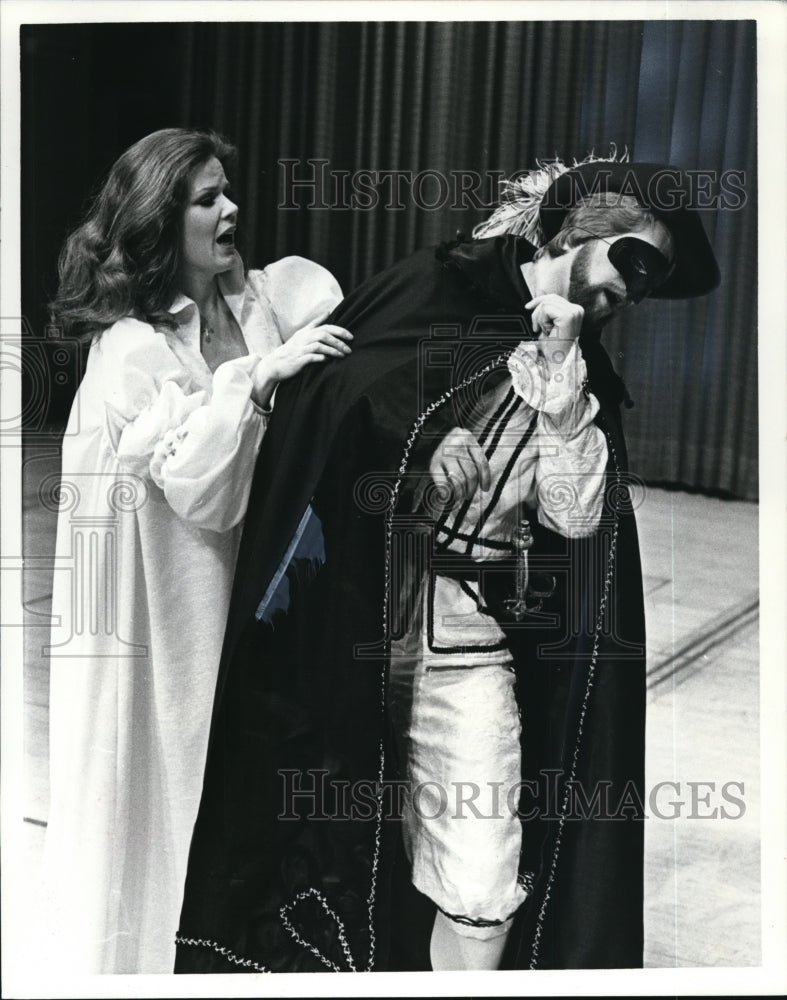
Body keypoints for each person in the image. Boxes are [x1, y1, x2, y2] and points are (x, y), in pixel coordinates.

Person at [174, 156, 720, 973]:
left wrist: (564, 388)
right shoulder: (438, 286)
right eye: (629, 263)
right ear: (574, 231)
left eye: (650, 283)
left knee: (481, 880)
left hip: (464, 636)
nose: (629, 295)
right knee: (317, 841)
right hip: (348, 615)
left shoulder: (581, 375)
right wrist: (418, 439)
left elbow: (575, 517)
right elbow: (333, 396)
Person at [40, 127, 352, 974]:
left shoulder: (257, 304)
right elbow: (201, 489)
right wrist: (256, 381)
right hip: (164, 611)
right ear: (156, 221)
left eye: (228, 191)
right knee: (166, 781)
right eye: (206, 198)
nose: (232, 209)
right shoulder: (135, 349)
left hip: (243, 596)